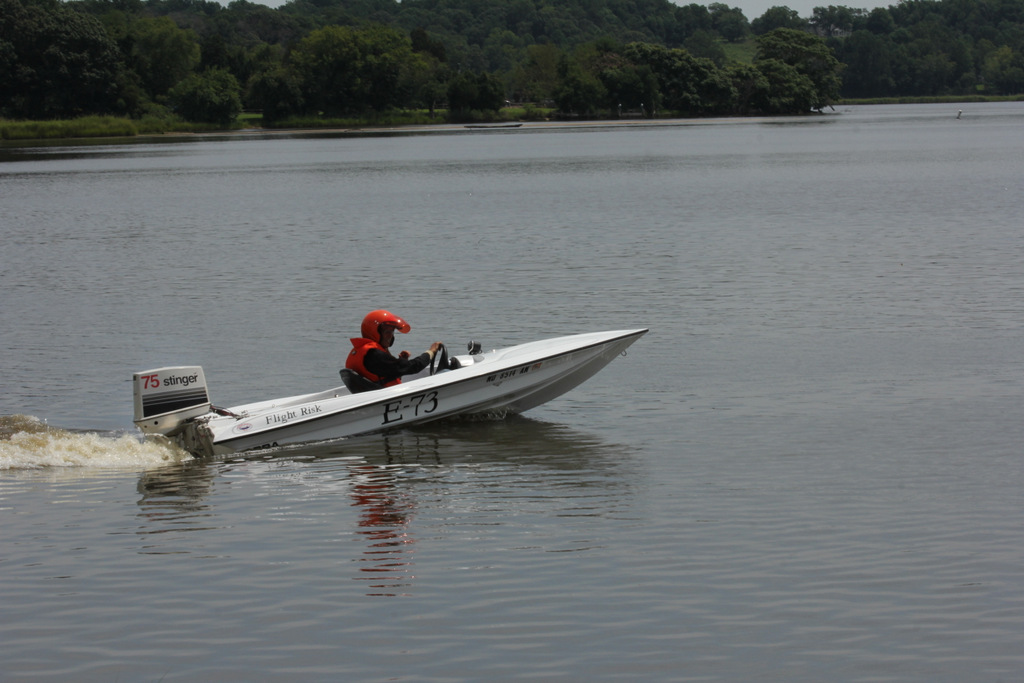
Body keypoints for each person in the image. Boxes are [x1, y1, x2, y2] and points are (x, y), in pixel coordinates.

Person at [346, 310, 443, 387]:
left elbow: (384, 374)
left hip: (376, 397)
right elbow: (413, 367)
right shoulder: (374, 355)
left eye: (392, 332)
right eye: (387, 332)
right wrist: (431, 351)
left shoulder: (362, 351)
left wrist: (401, 362)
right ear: (374, 332)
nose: (390, 336)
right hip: (383, 400)